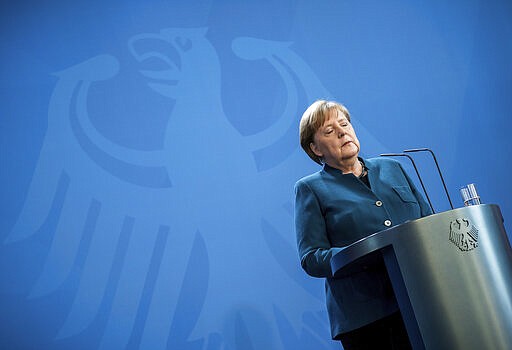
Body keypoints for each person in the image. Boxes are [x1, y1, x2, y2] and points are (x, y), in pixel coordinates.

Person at [294, 100, 432, 349]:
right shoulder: (310, 189)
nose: (342, 131)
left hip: (423, 299)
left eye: (344, 124)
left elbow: (429, 224)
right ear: (315, 149)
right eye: (329, 131)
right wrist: (364, 253)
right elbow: (312, 258)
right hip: (368, 318)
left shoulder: (392, 167)